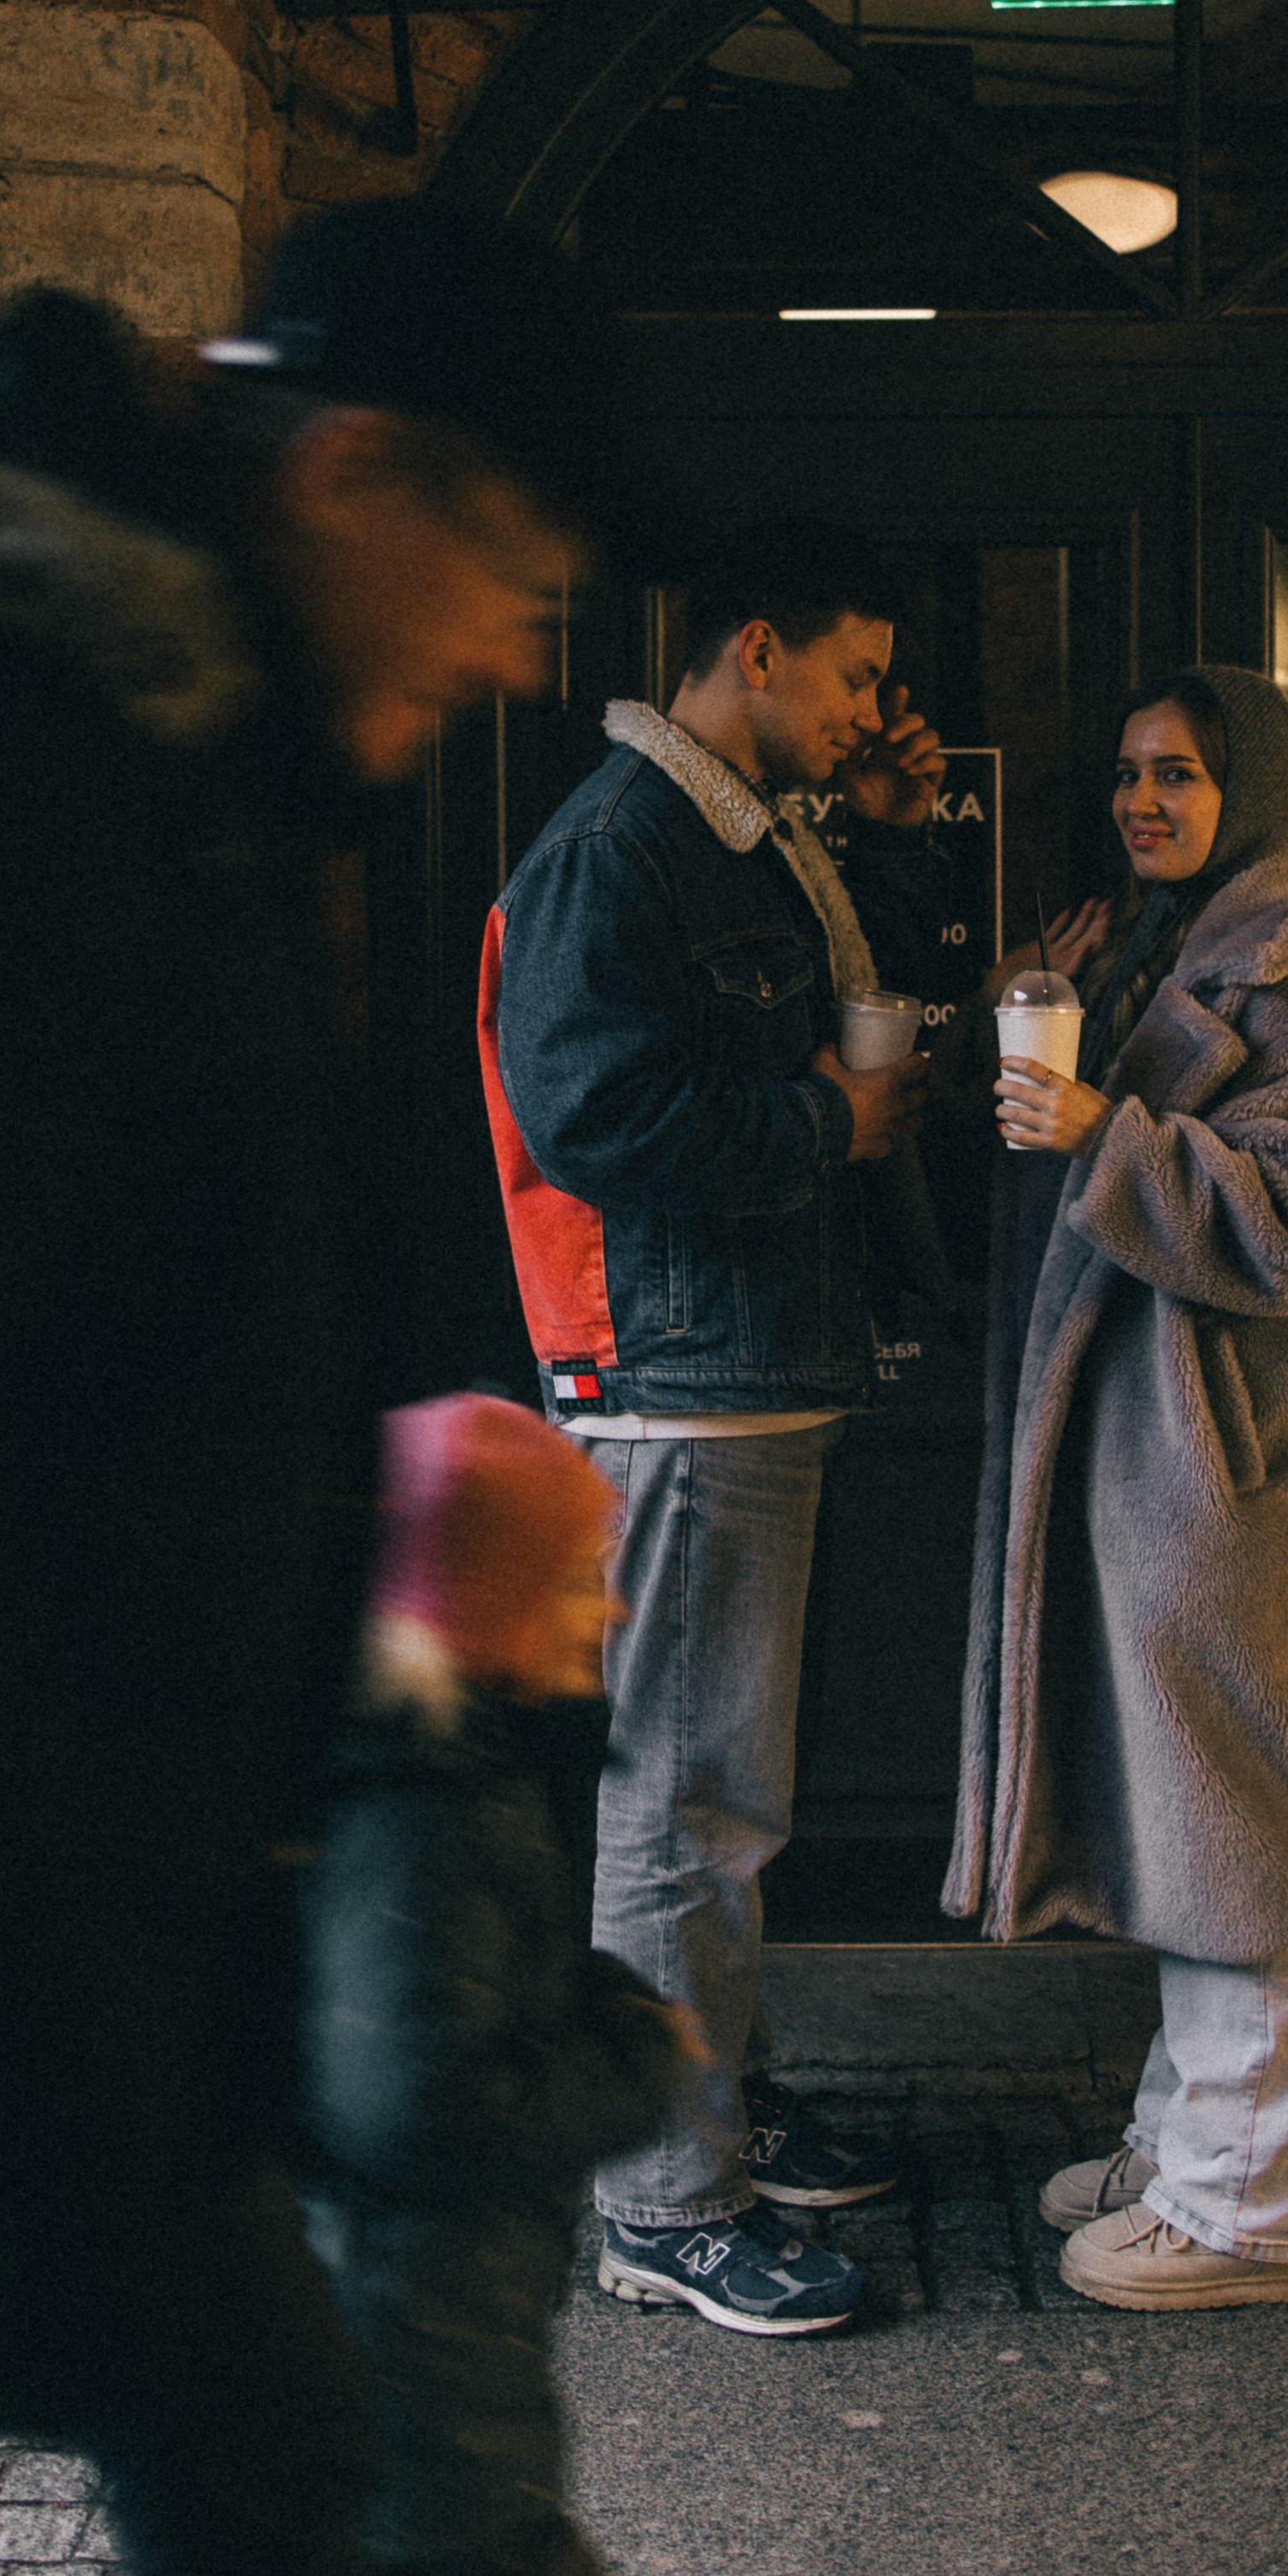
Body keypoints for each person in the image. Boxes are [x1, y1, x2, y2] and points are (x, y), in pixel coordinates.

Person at [0, 198, 641, 2576]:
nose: (509, 650)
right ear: (352, 476)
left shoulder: (181, 763)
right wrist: (8, 2132)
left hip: (59, 1949)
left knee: (277, 2478)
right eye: (506, 569)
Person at [479, 526, 947, 2335]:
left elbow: (833, 1016)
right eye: (851, 676)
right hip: (676, 1384)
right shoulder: (621, 843)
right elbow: (595, 1110)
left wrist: (888, 840)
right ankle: (665, 2200)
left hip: (748, 1366)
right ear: (757, 650)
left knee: (719, 1790)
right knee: (681, 1797)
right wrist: (824, 1130)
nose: (872, 709)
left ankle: (715, 2105)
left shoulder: (748, 832)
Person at [944, 667, 1288, 2311]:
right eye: (1132, 772)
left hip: (1232, 1468)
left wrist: (1101, 1136)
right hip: (1153, 1462)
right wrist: (1029, 1020)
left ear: (1252, 794)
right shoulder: (1158, 954)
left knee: (1239, 1824)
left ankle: (1246, 2206)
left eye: (1183, 777)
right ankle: (1187, 2131)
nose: (1144, 801)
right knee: (1180, 1808)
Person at [304, 1393, 686, 2576]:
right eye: (580, 1576)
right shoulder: (431, 1816)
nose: (611, 1605)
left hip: (426, 2318)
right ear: (491, 1598)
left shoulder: (435, 1768)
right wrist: (628, 2062)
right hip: (421, 2344)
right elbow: (417, 2102)